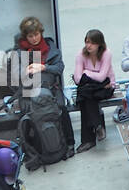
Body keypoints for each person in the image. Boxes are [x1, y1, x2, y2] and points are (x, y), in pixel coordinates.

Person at [14, 17, 75, 154]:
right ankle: (32, 149)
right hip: (30, 91)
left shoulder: (50, 48)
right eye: (30, 36)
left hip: (51, 88)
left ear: (41, 33)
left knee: (61, 108)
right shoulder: (19, 52)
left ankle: (69, 143)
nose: (34, 38)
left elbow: (59, 68)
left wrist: (43, 67)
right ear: (26, 36)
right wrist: (26, 71)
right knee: (28, 113)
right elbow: (15, 74)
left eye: (36, 34)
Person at [72, 29, 114, 151]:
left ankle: (88, 140)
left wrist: (86, 72)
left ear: (99, 43)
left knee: (83, 96)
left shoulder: (106, 53)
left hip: (106, 87)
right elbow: (78, 79)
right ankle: (97, 126)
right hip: (90, 89)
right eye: (86, 42)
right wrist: (93, 77)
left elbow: (102, 77)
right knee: (86, 96)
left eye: (92, 43)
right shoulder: (81, 54)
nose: (88, 46)